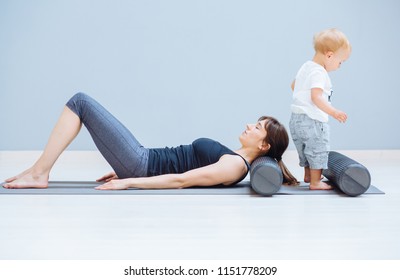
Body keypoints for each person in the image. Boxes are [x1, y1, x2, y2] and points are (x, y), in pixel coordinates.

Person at [3, 93, 298, 190]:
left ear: (264, 146)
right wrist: (126, 171)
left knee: (80, 102)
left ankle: (39, 172)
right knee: (80, 103)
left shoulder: (235, 165)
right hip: (140, 161)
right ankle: (38, 171)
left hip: (141, 163)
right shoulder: (234, 157)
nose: (249, 125)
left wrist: (129, 181)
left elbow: (182, 180)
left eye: (257, 127)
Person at [289, 28, 351, 190]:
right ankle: (316, 182)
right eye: (340, 62)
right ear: (329, 55)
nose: (339, 66)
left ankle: (309, 175)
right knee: (318, 149)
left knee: (304, 148)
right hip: (313, 120)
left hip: (296, 119)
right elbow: (316, 97)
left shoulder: (306, 66)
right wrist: (333, 111)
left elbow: (293, 85)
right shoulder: (319, 72)